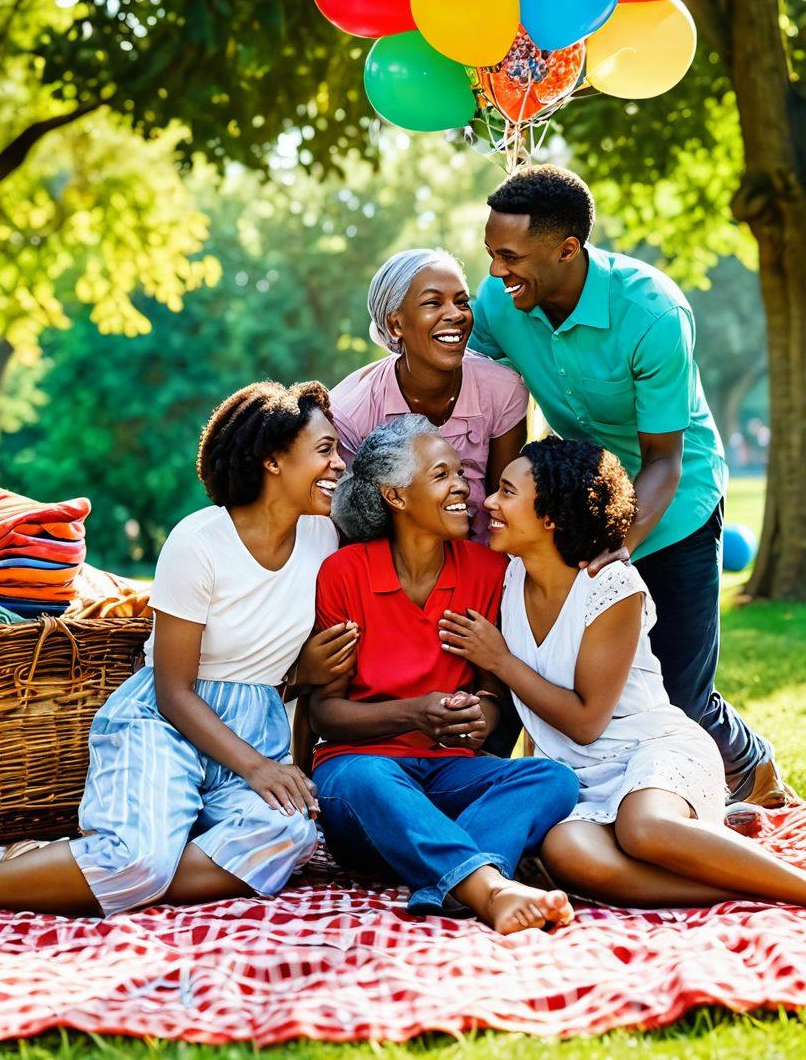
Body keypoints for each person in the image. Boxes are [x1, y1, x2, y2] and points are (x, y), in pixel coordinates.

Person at [468, 163, 790, 805]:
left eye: (511, 256)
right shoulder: (500, 305)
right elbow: (475, 389)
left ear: (567, 249)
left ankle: (750, 766)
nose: (498, 272)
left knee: (679, 694)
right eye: (492, 254)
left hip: (673, 505)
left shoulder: (651, 311)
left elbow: (665, 459)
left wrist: (618, 544)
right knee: (563, 673)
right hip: (574, 501)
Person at [0, 381, 347, 916]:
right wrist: (257, 769)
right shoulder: (199, 542)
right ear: (272, 460)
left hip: (256, 725)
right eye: (324, 449)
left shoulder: (323, 538)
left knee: (288, 835)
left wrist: (300, 675)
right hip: (167, 724)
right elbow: (174, 690)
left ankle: (83, 871)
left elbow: (270, 654)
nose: (338, 464)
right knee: (136, 860)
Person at [438, 438, 806, 908]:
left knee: (643, 828)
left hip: (653, 753)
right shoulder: (508, 576)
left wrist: (500, 660)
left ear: (550, 516)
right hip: (578, 778)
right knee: (568, 853)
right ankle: (738, 888)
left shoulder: (611, 585)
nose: (488, 500)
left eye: (507, 492)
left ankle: (795, 887)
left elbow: (587, 723)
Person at [308, 416, 580, 935]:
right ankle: (489, 886)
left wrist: (485, 714)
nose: (463, 488)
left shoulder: (487, 571)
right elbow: (325, 712)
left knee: (553, 778)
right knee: (366, 778)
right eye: (441, 475)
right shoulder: (345, 572)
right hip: (363, 780)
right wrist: (414, 713)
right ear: (396, 495)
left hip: (450, 775)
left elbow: (492, 691)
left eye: (461, 474)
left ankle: (445, 877)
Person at [330, 248, 528, 543]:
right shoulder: (350, 410)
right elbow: (349, 523)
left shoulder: (503, 390)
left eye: (461, 302)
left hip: (484, 562)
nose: (455, 314)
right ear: (396, 324)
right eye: (433, 302)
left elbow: (504, 505)